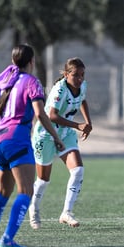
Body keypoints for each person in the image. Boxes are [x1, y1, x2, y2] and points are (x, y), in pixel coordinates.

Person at [0, 44, 65, 247]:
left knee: (4, 190)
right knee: (26, 190)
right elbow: (41, 114)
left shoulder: (3, 81)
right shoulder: (32, 82)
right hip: (18, 139)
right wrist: (56, 136)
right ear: (31, 61)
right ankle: (7, 239)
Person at [29, 57, 92, 229]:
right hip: (46, 134)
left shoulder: (82, 86)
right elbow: (52, 116)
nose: (80, 79)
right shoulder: (59, 89)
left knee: (78, 170)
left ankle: (67, 212)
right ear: (66, 74)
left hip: (65, 134)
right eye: (75, 75)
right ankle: (34, 209)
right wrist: (78, 125)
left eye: (82, 75)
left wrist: (88, 122)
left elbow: (83, 99)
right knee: (43, 179)